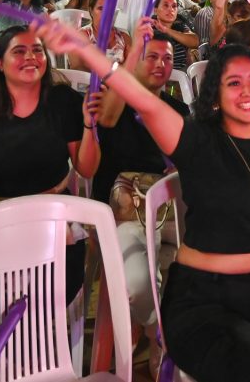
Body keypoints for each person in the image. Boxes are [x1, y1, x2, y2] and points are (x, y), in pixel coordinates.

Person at [33, 0, 250, 382]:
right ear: (215, 95)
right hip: (202, 301)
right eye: (234, 83)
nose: (248, 91)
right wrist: (84, 49)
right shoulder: (196, 140)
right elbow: (142, 99)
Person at [0, 26, 99, 335]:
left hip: (51, 217)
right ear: (0, 63)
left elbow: (86, 168)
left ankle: (34, 349)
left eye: (37, 51)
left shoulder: (62, 101)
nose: (31, 57)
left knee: (48, 296)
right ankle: (10, 353)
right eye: (19, 51)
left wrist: (88, 126)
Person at [92, 27, 189, 333]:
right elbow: (106, 120)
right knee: (136, 284)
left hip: (173, 210)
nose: (161, 64)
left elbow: (189, 157)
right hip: (126, 211)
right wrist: (133, 52)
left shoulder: (178, 110)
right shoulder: (113, 102)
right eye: (152, 57)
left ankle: (172, 331)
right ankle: (159, 330)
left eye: (167, 58)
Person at [70, 0, 132, 71]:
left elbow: (132, 68)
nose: (106, 13)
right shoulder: (80, 36)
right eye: (101, 8)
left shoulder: (124, 38)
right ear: (91, 11)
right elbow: (76, 68)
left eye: (110, 9)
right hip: (88, 79)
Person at [152, 0, 198, 71]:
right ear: (155, 10)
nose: (171, 10)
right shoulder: (149, 27)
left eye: (174, 6)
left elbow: (195, 42)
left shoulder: (180, 25)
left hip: (181, 73)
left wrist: (167, 30)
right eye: (166, 5)